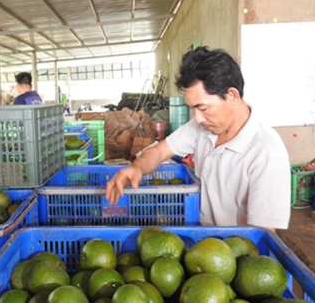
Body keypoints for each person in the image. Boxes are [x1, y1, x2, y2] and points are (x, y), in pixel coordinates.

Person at [106, 46, 291, 232]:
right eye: (192, 109)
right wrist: (137, 168)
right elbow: (160, 151)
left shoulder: (267, 153)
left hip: (227, 255)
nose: (198, 118)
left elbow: (263, 235)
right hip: (200, 241)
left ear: (232, 96)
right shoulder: (202, 127)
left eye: (203, 108)